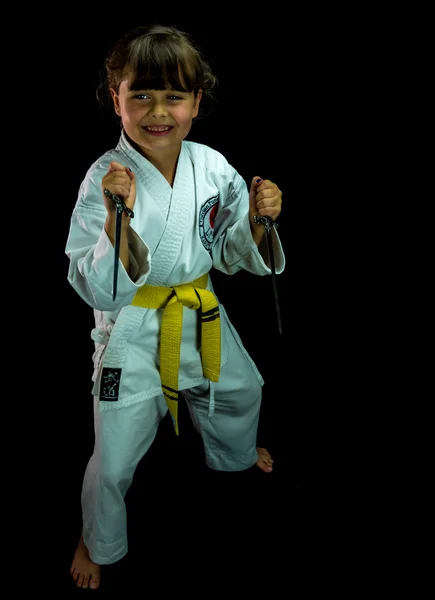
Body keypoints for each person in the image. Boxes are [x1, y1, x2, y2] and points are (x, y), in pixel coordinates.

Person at [66, 23, 285, 590]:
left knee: (242, 391)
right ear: (114, 95)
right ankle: (97, 538)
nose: (156, 110)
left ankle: (235, 455)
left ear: (196, 103)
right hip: (131, 330)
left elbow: (236, 249)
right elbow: (93, 283)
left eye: (174, 95)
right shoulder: (103, 179)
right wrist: (118, 216)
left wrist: (262, 219)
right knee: (112, 455)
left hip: (197, 312)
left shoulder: (211, 167)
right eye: (140, 94)